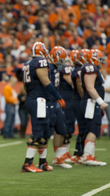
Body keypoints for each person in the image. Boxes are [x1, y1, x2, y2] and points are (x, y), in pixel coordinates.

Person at [21, 42, 66, 173]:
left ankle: (42, 162)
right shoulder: (40, 61)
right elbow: (46, 81)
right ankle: (27, 163)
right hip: (38, 100)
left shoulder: (27, 64)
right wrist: (58, 96)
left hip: (35, 99)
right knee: (38, 131)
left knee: (45, 131)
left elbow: (25, 86)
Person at [80, 49, 107, 166]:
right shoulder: (90, 68)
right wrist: (101, 101)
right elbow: (90, 87)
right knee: (93, 128)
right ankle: (87, 156)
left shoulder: (93, 68)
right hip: (91, 102)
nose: (101, 62)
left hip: (91, 102)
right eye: (100, 59)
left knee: (94, 128)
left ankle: (88, 155)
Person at [70, 49, 89, 164]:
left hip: (77, 100)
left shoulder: (78, 70)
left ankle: (78, 153)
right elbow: (80, 89)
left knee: (84, 128)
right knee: (83, 128)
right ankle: (78, 154)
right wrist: (85, 100)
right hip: (79, 101)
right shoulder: (78, 71)